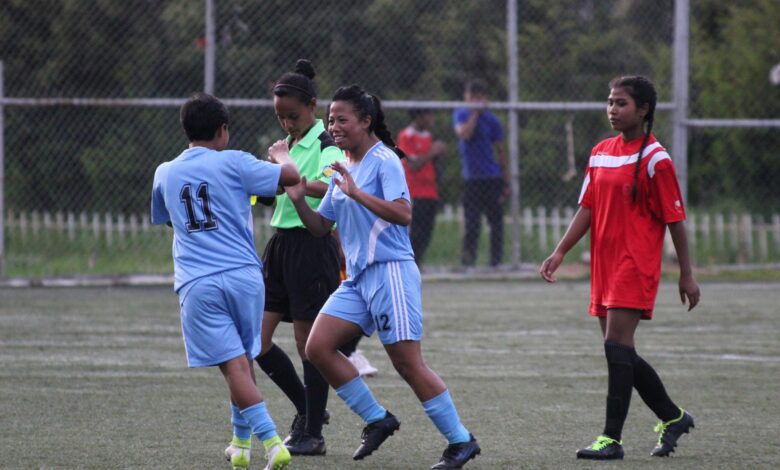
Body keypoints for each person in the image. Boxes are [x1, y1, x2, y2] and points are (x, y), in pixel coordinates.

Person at [284, 84, 480, 469]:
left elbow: (404, 213)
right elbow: (322, 225)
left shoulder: (385, 160)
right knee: (317, 347)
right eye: (330, 119)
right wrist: (296, 199)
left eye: (342, 119)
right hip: (358, 279)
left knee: (408, 364)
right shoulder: (342, 162)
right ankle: (377, 418)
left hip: (390, 272)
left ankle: (461, 441)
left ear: (366, 120)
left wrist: (356, 193)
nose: (333, 126)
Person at [539, 76, 701, 460]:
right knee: (619, 351)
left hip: (635, 263)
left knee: (616, 347)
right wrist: (560, 251)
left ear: (643, 110)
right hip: (605, 264)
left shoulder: (655, 158)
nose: (612, 110)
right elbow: (588, 207)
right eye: (610, 102)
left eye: (621, 103)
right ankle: (673, 416)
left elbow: (675, 219)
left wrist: (687, 273)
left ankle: (611, 439)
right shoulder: (600, 152)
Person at [150, 93, 298, 470]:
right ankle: (240, 446)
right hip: (246, 278)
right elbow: (291, 178)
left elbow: (167, 218)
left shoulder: (165, 171)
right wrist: (281, 154)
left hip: (199, 281)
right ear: (223, 130)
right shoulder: (234, 162)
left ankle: (273, 443)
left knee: (234, 367)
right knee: (243, 363)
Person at [242, 59, 371, 458]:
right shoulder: (289, 145)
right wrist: (257, 182)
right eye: (280, 117)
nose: (286, 124)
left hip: (311, 246)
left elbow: (324, 186)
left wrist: (283, 168)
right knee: (255, 342)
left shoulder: (324, 142)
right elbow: (270, 191)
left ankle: (311, 431)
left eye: (292, 116)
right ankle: (307, 408)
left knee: (307, 343)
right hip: (280, 247)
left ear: (312, 106)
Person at [453, 79, 509, 268]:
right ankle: (468, 262)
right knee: (472, 223)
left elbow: (500, 149)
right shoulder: (461, 115)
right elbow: (464, 134)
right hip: (472, 179)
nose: (475, 101)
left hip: (491, 177)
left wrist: (506, 179)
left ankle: (495, 262)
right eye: (471, 97)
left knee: (496, 222)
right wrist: (475, 114)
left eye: (479, 97)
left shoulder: (492, 120)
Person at [397, 109, 447, 267]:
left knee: (427, 231)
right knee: (416, 231)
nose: (432, 118)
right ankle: (408, 264)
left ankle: (418, 263)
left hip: (430, 191)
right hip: (414, 191)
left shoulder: (428, 137)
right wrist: (432, 152)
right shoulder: (406, 136)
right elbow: (412, 165)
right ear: (418, 117)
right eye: (428, 115)